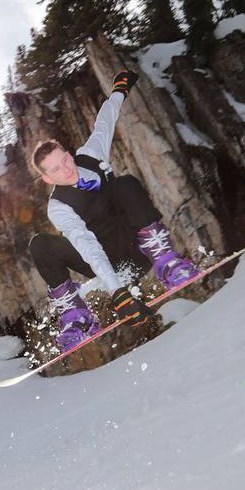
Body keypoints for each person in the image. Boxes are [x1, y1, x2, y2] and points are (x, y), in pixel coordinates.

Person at [29, 70, 200, 351]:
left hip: (137, 248)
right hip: (107, 261)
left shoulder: (91, 156)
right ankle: (78, 318)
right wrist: (117, 292)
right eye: (56, 170)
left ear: (69, 154)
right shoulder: (58, 207)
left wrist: (120, 89)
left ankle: (167, 263)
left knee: (124, 184)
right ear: (47, 179)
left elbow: (105, 121)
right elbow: (85, 243)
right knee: (41, 245)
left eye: (65, 160)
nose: (66, 169)